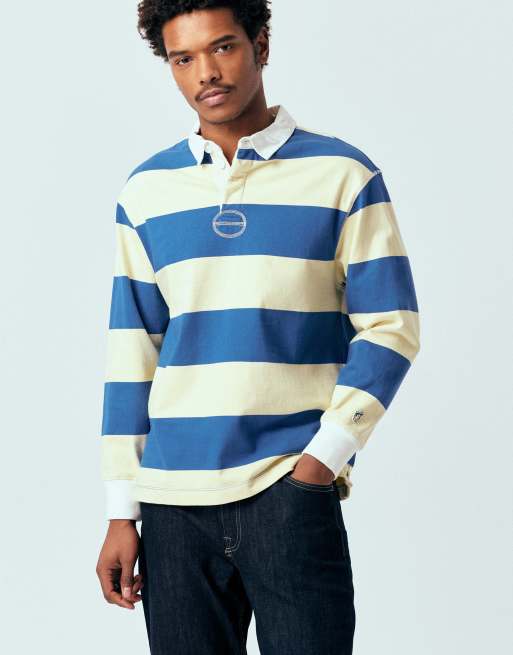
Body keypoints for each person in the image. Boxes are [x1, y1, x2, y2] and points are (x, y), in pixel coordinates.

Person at [95, 2, 421, 653]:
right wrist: (122, 509)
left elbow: (391, 327)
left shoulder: (342, 175)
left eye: (222, 47)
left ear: (260, 44)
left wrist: (322, 460)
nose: (205, 73)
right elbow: (132, 351)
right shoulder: (146, 191)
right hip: (172, 504)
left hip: (288, 489)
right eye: (183, 58)